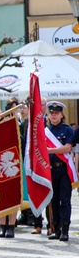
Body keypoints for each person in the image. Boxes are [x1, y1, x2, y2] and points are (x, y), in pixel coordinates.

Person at [46, 101, 74, 241]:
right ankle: (55, 229)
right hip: (50, 170)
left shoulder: (67, 130)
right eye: (51, 113)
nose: (54, 115)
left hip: (64, 170)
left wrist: (50, 150)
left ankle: (65, 230)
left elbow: (68, 148)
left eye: (56, 113)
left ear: (62, 115)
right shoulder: (45, 131)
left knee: (65, 200)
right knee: (54, 200)